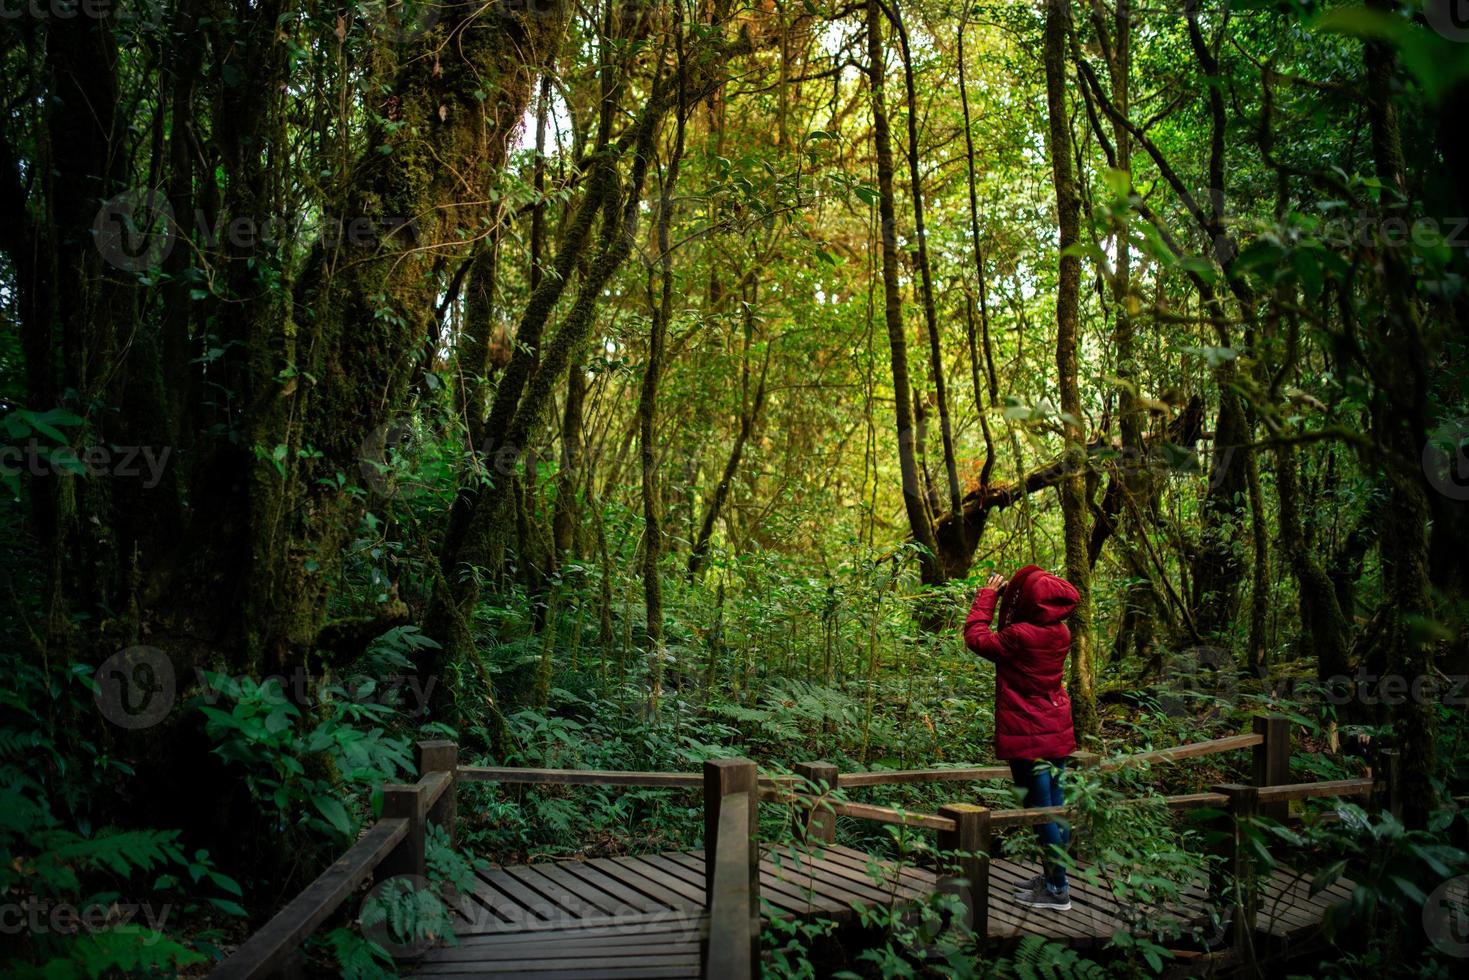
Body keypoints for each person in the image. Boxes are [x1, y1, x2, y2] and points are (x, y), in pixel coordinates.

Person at [963, 564, 1080, 911]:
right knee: (1054, 808)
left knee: (1040, 811)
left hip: (1029, 733)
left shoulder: (1021, 635)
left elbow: (976, 638)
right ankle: (1054, 878)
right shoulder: (1060, 632)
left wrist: (987, 597)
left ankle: (1058, 889)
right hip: (1054, 726)